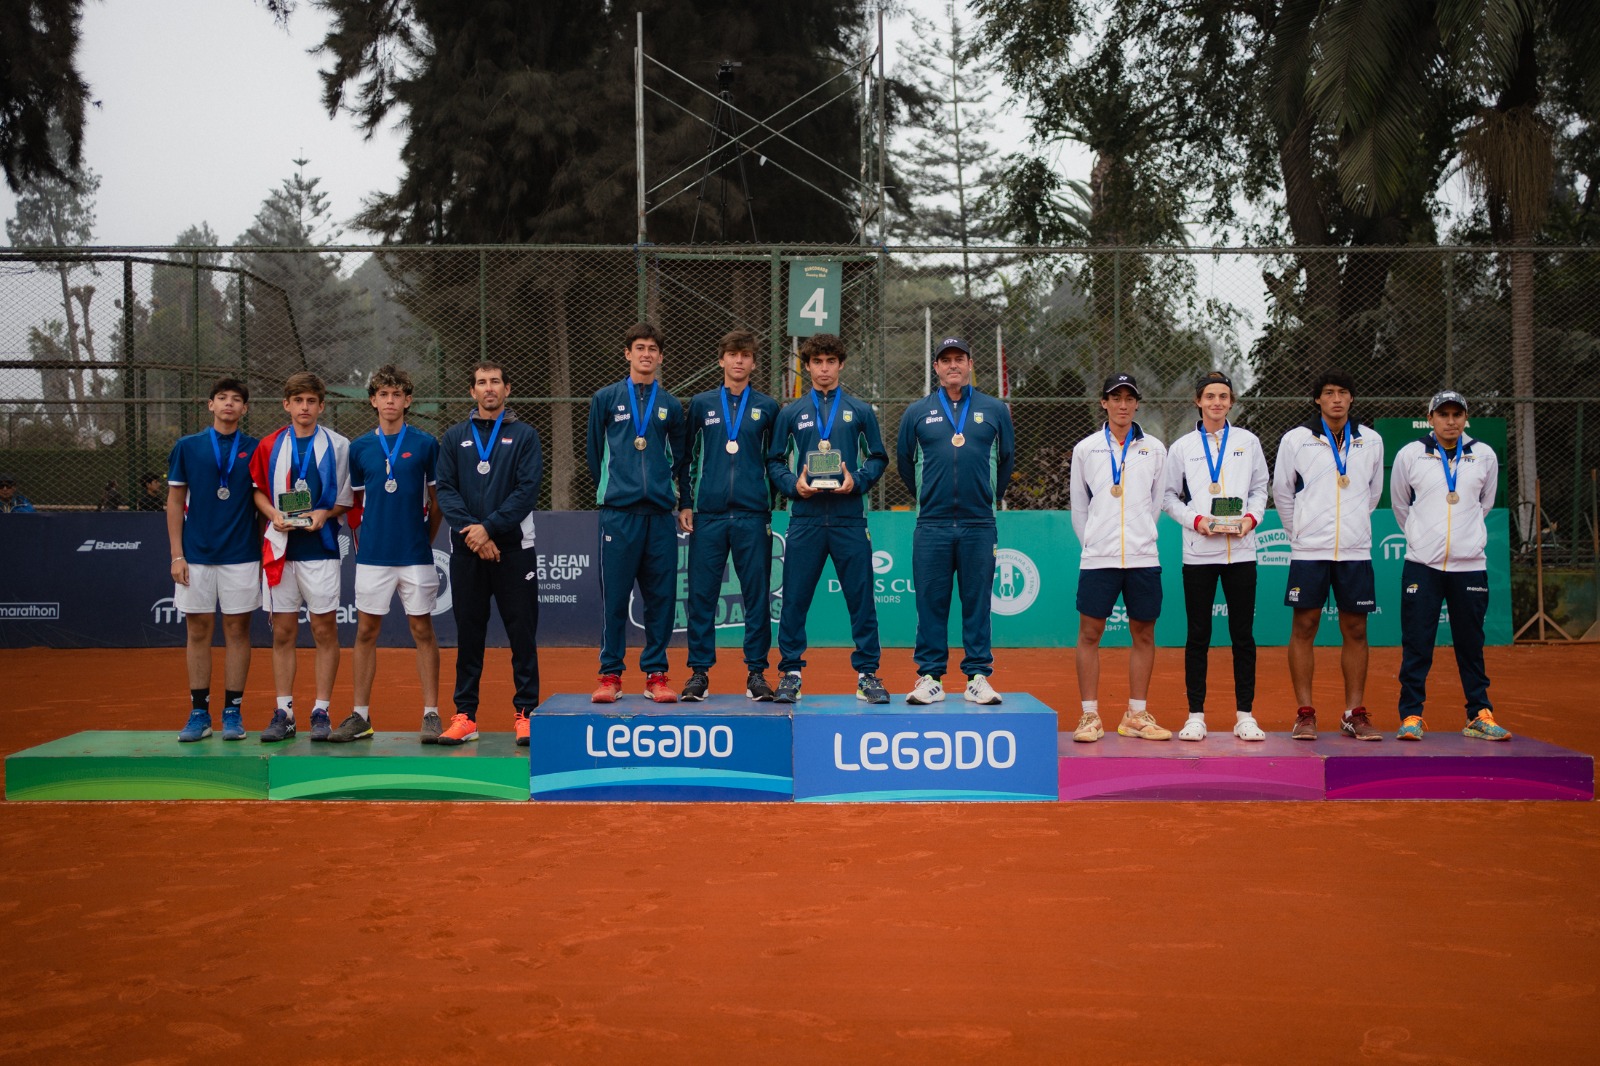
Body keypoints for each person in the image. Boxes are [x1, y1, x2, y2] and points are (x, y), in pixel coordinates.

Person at [766, 332, 890, 705]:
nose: (824, 368)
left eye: (830, 361)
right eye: (817, 362)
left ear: (840, 365)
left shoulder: (860, 410)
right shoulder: (790, 412)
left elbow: (878, 457)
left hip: (849, 517)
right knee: (795, 600)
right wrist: (793, 485)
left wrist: (858, 481)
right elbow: (773, 460)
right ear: (807, 366)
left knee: (862, 598)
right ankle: (791, 673)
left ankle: (868, 674)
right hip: (804, 517)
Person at [895, 336, 1015, 706]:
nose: (952, 365)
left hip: (979, 522)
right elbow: (903, 462)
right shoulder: (917, 412)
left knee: (977, 601)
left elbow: (1007, 459)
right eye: (945, 360)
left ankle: (978, 676)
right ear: (936, 368)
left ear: (970, 364)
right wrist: (929, 494)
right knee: (931, 602)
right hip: (931, 522)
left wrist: (987, 495)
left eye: (959, 359)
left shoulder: (995, 409)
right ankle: (930, 677)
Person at [330, 364, 444, 744]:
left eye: (397, 394)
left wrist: (424, 539)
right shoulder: (359, 448)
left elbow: (436, 501)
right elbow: (356, 503)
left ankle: (431, 713)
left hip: (415, 553)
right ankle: (360, 715)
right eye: (383, 394)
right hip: (373, 556)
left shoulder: (426, 444)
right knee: (366, 630)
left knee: (422, 629)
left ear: (407, 401)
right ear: (373, 401)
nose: (390, 400)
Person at [1390, 390, 1510, 741]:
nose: (1451, 421)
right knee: (1417, 643)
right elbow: (1401, 504)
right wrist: (1421, 537)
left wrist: (1465, 539)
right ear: (1431, 418)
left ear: (1465, 418)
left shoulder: (1484, 455)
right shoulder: (1410, 454)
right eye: (1443, 414)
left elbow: (1484, 504)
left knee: (1471, 643)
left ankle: (1479, 714)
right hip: (1422, 565)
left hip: (1470, 566)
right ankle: (1411, 715)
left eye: (1458, 414)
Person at [435, 360, 544, 745]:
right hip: (467, 550)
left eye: (495, 381)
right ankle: (465, 715)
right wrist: (475, 534)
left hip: (514, 550)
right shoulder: (454, 437)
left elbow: (526, 491)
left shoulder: (525, 435)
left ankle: (526, 713)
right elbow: (445, 490)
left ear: (507, 388)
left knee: (521, 634)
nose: (489, 388)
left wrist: (489, 528)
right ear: (472, 391)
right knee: (470, 635)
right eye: (481, 382)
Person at [1272, 368, 1384, 741]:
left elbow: (1373, 494)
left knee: (1355, 629)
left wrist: (1350, 528)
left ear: (1352, 399)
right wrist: (1299, 533)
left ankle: (1354, 713)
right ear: (1317, 399)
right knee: (1304, 627)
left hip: (1354, 549)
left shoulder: (1371, 440)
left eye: (1343, 392)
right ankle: (1305, 714)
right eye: (1329, 392)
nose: (1336, 398)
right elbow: (1283, 493)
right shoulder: (1296, 440)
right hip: (1309, 550)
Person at [1160, 370, 1271, 741]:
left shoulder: (1249, 442)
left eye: (1223, 396)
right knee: (1198, 636)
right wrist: (1195, 520)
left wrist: (1251, 520)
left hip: (1241, 551)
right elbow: (1169, 497)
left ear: (1231, 401)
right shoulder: (1182, 447)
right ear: (1198, 401)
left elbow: (1260, 489)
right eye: (1210, 396)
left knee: (1243, 636)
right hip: (1198, 554)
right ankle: (1195, 715)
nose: (1217, 402)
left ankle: (1245, 716)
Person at [677, 328, 780, 701]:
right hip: (709, 515)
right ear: (721, 359)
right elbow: (687, 458)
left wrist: (773, 500)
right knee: (702, 596)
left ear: (753, 362)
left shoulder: (768, 407)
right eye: (732, 354)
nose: (739, 360)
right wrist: (687, 502)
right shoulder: (702, 404)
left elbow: (776, 460)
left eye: (745, 355)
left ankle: (756, 673)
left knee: (756, 596)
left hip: (754, 515)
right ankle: (699, 673)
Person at [587, 322, 688, 703]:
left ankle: (656, 675)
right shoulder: (606, 398)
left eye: (652, 349)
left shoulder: (672, 405)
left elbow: (679, 460)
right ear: (627, 353)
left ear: (660, 357)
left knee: (660, 598)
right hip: (619, 514)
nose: (646, 354)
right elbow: (595, 455)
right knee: (614, 599)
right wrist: (618, 489)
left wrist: (675, 498)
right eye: (639, 347)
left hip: (660, 516)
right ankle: (610, 675)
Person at [250, 372, 354, 743]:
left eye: (311, 401)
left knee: (325, 630)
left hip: (321, 549)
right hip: (280, 550)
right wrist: (273, 514)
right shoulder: (269, 445)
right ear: (287, 405)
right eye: (298, 401)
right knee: (283, 632)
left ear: (321, 406)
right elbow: (258, 492)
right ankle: (285, 712)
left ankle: (321, 710)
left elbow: (347, 498)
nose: (304, 407)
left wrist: (325, 514)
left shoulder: (339, 445)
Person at [1069, 373, 1171, 743]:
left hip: (1143, 557)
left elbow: (1156, 503)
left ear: (1137, 404)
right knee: (1090, 634)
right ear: (1104, 403)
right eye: (1116, 398)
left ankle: (1136, 713)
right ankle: (1089, 715)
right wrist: (1095, 544)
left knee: (1143, 634)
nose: (1123, 405)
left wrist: (1140, 535)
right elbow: (1079, 508)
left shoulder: (1156, 449)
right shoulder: (1086, 449)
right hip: (1099, 559)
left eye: (1129, 398)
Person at [166, 378, 260, 741]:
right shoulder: (187, 447)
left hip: (241, 555)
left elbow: (264, 500)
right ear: (210, 405)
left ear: (245, 409)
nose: (229, 404)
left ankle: (233, 712)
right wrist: (177, 554)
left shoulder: (255, 449)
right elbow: (175, 502)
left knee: (238, 631)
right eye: (222, 398)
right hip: (197, 556)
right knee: (198, 631)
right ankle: (199, 713)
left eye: (237, 399)